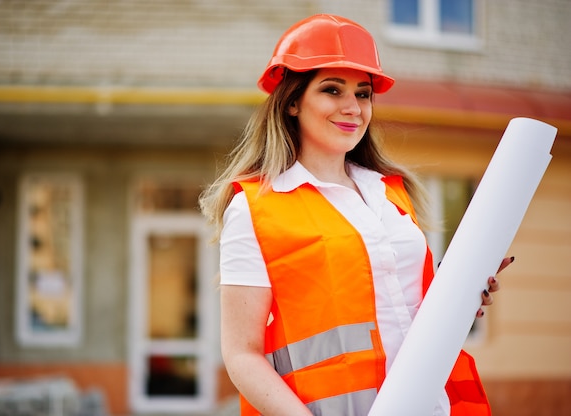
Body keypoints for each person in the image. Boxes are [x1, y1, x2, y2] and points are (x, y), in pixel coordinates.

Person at [199, 14, 513, 416]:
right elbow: (242, 355)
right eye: (332, 90)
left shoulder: (391, 194)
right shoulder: (257, 206)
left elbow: (399, 311)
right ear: (292, 101)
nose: (353, 108)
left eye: (363, 94)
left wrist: (462, 297)